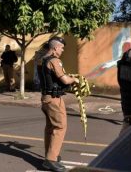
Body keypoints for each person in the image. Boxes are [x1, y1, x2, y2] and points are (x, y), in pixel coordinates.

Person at [39, 37, 79, 172]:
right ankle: (50, 160)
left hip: (45, 97)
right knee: (60, 127)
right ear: (55, 48)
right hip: (54, 99)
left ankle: (50, 154)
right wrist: (76, 79)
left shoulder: (43, 59)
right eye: (61, 48)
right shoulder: (55, 61)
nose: (62, 50)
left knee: (50, 128)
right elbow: (65, 79)